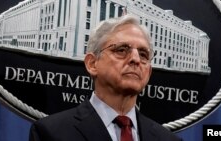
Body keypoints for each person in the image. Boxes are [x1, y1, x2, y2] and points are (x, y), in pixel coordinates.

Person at [29, 14, 182, 141]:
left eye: (143, 54)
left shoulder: (168, 140)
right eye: (122, 50)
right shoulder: (51, 133)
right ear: (92, 64)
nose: (135, 59)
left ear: (148, 72)